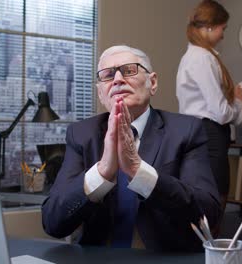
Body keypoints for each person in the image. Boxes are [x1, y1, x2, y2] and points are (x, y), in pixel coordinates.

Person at [42, 45, 221, 251]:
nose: (118, 79)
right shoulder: (82, 134)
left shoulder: (186, 130)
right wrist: (101, 173)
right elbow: (52, 223)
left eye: (129, 71)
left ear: (152, 83)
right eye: (108, 75)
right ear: (101, 93)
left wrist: (138, 171)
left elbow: (208, 214)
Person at [176, 0, 242, 211]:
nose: (223, 34)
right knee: (214, 204)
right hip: (209, 135)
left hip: (196, 133)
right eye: (223, 28)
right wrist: (239, 99)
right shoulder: (203, 58)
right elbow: (221, 113)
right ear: (211, 26)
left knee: (204, 204)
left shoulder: (191, 56)